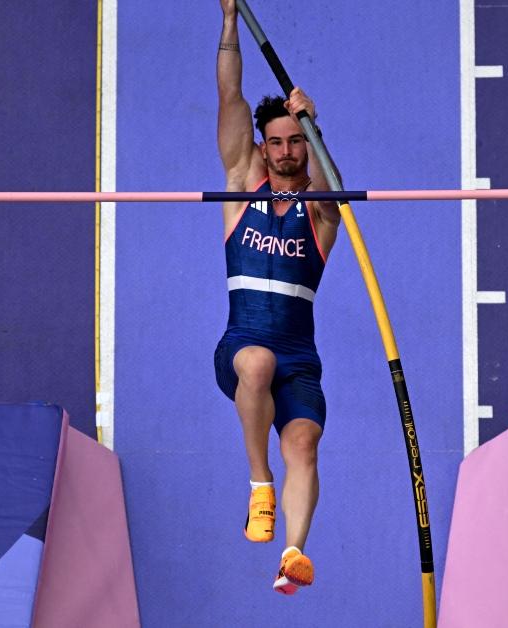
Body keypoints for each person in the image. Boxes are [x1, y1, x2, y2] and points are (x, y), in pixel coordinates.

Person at [213, 0, 342, 596]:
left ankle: (293, 553)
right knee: (258, 363)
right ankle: (258, 485)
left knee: (306, 443)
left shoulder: (320, 216)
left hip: (299, 352)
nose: (287, 150)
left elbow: (333, 190)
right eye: (278, 142)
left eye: (296, 141)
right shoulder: (241, 189)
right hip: (242, 346)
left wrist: (316, 128)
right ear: (262, 149)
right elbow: (231, 98)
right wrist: (231, 22)